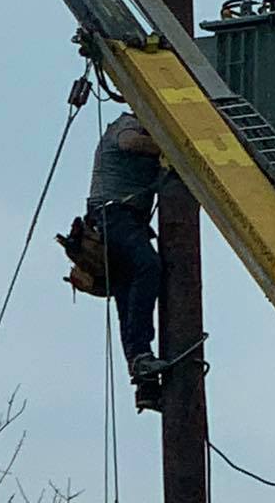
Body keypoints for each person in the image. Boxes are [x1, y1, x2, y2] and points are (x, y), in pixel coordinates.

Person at [87, 109, 168, 410]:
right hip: (114, 214)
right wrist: (170, 144)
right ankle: (142, 359)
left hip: (118, 217)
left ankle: (144, 377)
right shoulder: (127, 123)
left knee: (128, 290)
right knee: (147, 266)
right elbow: (130, 143)